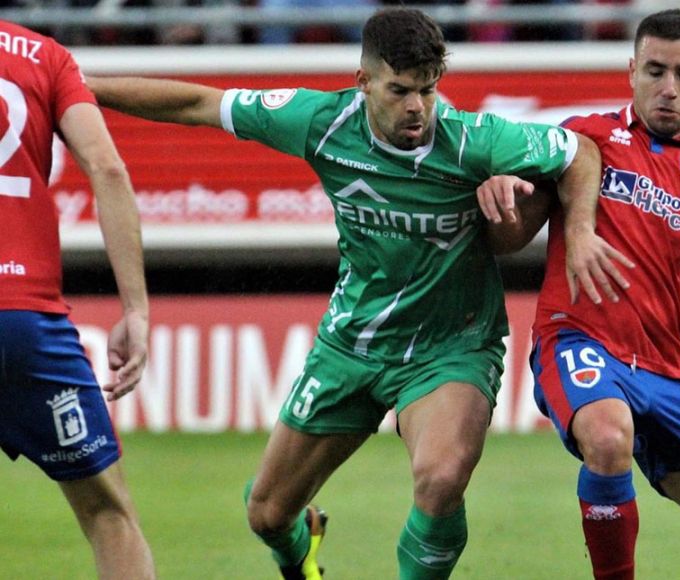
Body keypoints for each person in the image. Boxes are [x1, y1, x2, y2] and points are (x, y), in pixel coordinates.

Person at [87, 7, 610, 579]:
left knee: (440, 480)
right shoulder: (321, 122)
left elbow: (580, 153)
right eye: (401, 90)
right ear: (363, 84)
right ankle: (301, 555)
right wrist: (80, 91)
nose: (418, 107)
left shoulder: (473, 141)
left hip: (451, 345)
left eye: (429, 90)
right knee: (266, 514)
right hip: (351, 342)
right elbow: (198, 105)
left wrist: (577, 230)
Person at [481, 8, 680, 579]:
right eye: (654, 70)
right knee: (607, 438)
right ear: (630, 70)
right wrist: (501, 189)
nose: (668, 87)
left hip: (664, 368)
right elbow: (509, 235)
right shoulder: (584, 138)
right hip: (577, 340)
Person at [0, 20, 155, 579]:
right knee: (107, 513)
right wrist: (135, 309)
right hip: (21, 319)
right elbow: (107, 167)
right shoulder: (44, 56)